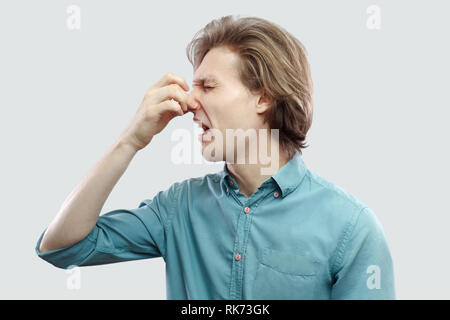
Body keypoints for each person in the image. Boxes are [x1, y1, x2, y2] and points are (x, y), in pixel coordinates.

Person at [36, 15, 395, 299]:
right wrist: (130, 141)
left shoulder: (352, 228)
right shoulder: (179, 208)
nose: (191, 102)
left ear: (263, 98)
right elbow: (61, 248)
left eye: (207, 86)